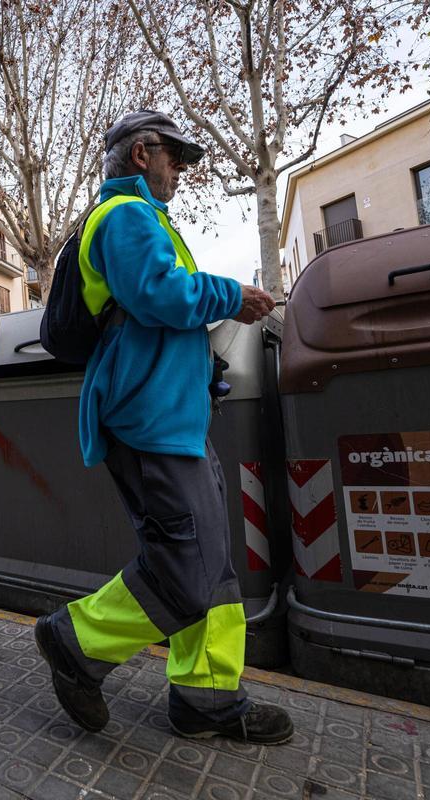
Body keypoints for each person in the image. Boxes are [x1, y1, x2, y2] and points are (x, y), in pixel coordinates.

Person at [34, 111, 292, 744]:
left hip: (174, 419)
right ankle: (75, 641)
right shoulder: (124, 217)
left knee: (213, 568)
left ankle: (206, 700)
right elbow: (157, 294)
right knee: (187, 571)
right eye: (174, 157)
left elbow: (161, 312)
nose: (181, 170)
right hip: (148, 422)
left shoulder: (149, 220)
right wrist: (231, 295)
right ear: (143, 151)